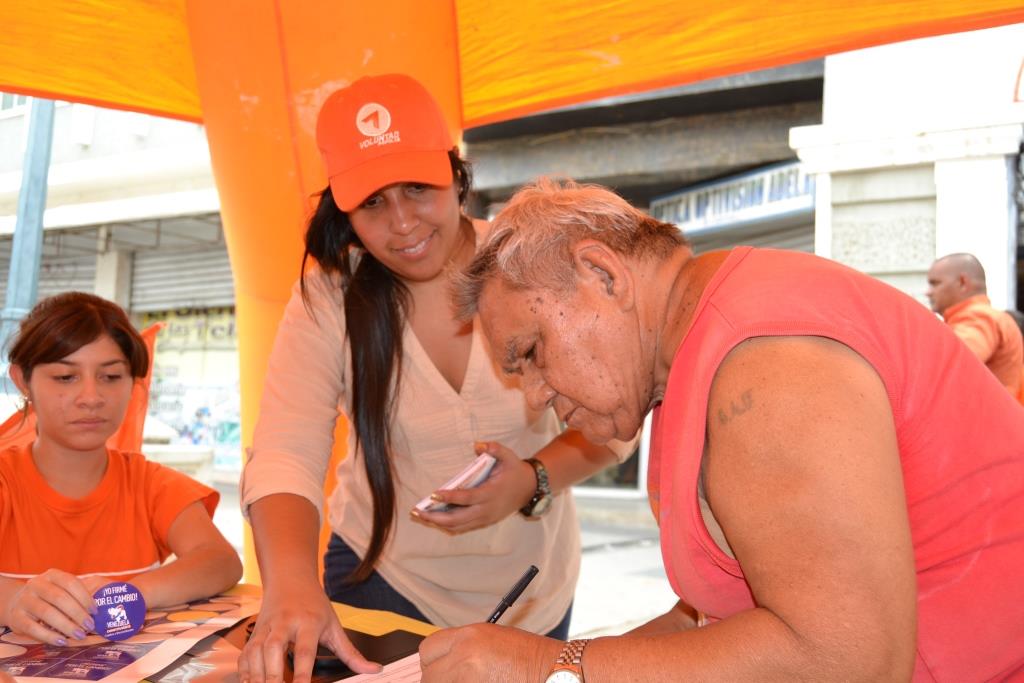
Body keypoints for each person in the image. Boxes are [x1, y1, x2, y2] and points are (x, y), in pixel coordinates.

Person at [421, 179, 1024, 682]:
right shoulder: (704, 350)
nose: (535, 396)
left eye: (531, 352)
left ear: (602, 275)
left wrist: (551, 662)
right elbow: (712, 620)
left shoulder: (760, 364)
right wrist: (558, 667)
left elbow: (847, 659)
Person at [237, 75, 634, 682]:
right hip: (383, 579)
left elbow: (616, 416)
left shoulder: (532, 264)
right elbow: (286, 450)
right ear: (343, 210)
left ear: (456, 174)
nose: (402, 224)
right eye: (372, 202)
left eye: (418, 188)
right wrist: (290, 586)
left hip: (530, 593)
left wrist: (533, 478)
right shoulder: (327, 297)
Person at [0, 292, 242, 646]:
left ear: (134, 384)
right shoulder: (7, 481)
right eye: (66, 377)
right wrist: (11, 601)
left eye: (111, 377)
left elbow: (220, 561)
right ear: (23, 381)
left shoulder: (150, 484)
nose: (91, 397)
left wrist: (129, 592)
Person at [926, 252, 1024, 396]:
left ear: (962, 283)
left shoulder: (979, 317)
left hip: (987, 417)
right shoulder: (984, 316)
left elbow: (949, 363)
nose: (928, 292)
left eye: (935, 283)